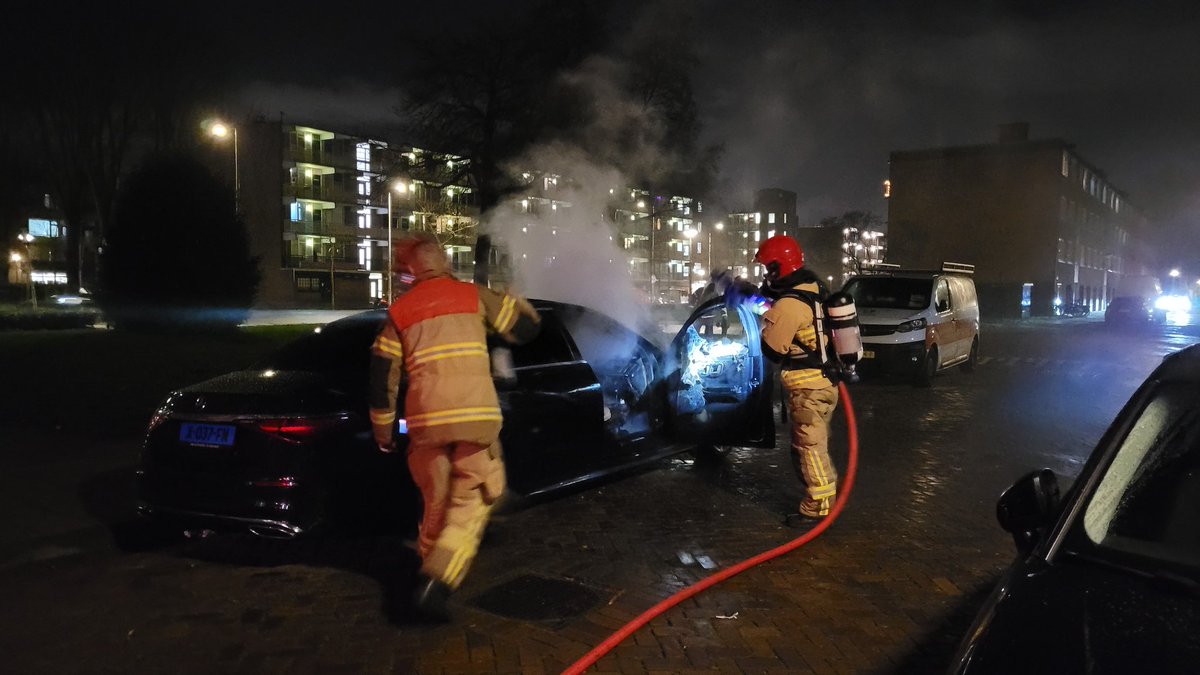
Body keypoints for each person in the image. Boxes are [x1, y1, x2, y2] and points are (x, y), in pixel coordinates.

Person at [368, 233, 541, 621]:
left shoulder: (400, 312)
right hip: (475, 423)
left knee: (437, 501)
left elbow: (381, 379)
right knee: (469, 504)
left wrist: (383, 433)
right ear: (444, 260)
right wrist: (516, 301)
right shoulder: (471, 295)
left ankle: (424, 567)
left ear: (411, 270)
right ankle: (437, 581)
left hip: (426, 426)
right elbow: (526, 329)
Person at [754, 234, 840, 525]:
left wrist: (763, 322)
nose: (767, 275)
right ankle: (820, 499)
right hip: (822, 383)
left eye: (768, 268)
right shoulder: (812, 290)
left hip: (808, 388)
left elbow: (772, 349)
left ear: (779, 268)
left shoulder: (789, 305)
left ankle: (818, 506)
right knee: (814, 444)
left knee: (810, 446)